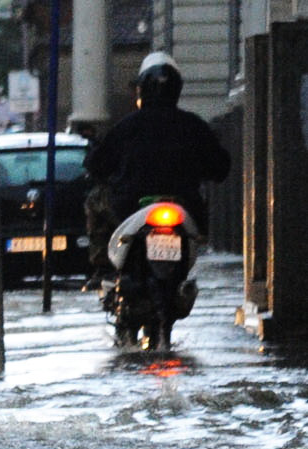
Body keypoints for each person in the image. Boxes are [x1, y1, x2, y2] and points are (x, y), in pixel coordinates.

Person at [83, 52, 231, 287]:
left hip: (129, 206)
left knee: (94, 200)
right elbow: (221, 168)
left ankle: (102, 266)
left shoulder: (126, 126)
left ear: (142, 88)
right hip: (186, 207)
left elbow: (96, 164)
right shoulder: (194, 125)